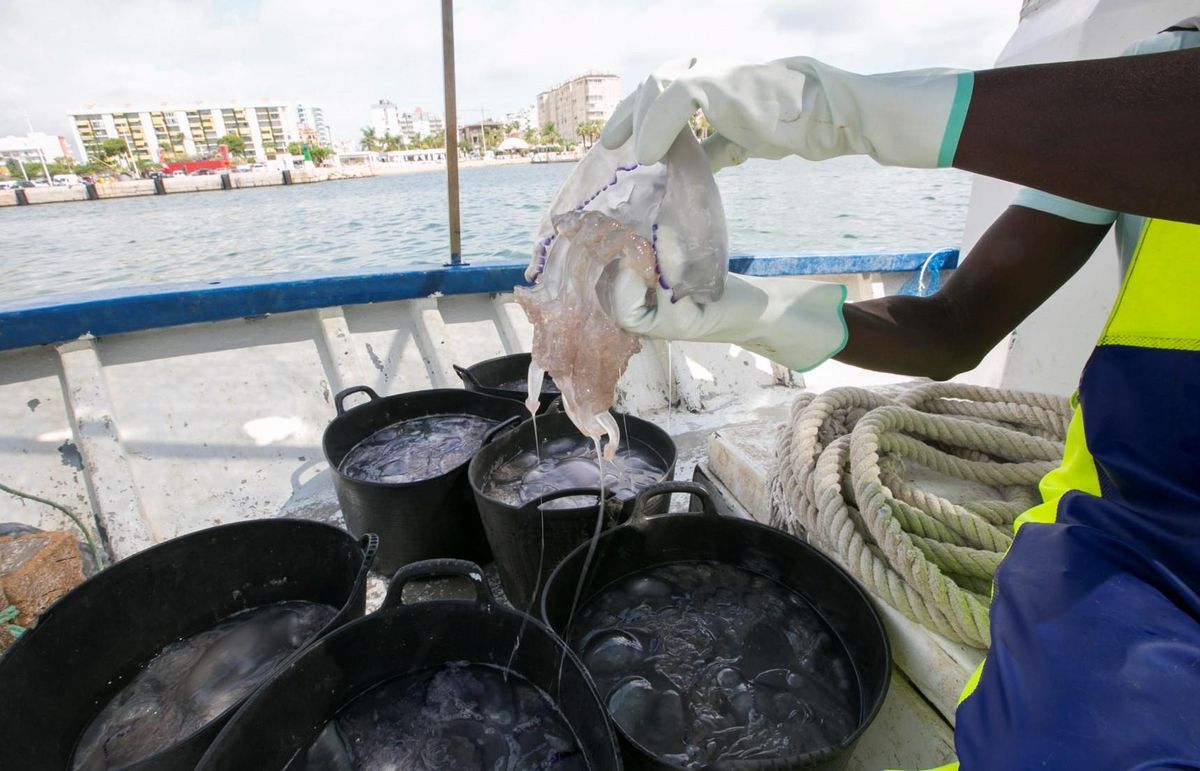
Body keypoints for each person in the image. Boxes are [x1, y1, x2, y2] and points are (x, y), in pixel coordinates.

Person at [601, 19, 1200, 770]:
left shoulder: (1148, 111)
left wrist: (847, 107)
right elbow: (952, 325)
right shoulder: (1151, 78)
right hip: (1124, 546)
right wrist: (751, 313)